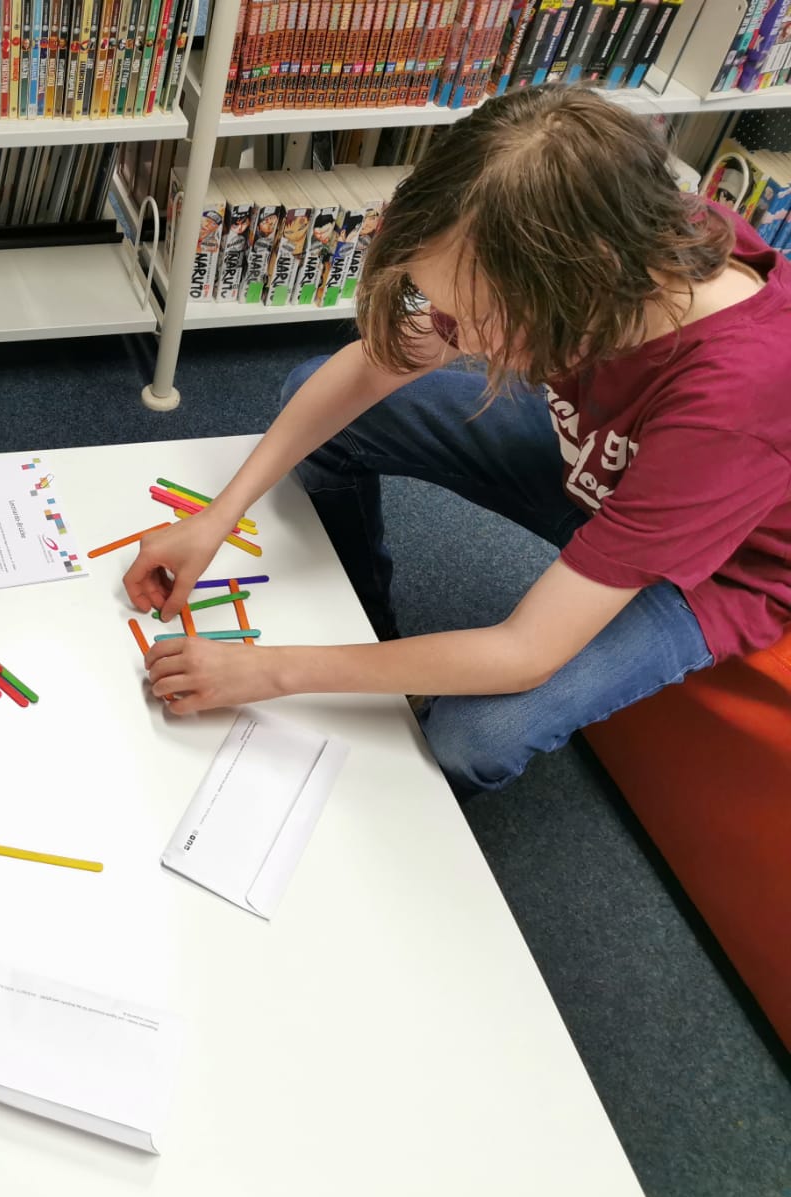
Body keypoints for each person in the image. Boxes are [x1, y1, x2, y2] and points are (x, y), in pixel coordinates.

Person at [126, 85, 791, 796]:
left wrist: (275, 670)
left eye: (478, 320)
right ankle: (370, 625)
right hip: (598, 463)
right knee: (317, 397)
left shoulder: (734, 400)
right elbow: (376, 365)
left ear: (583, 288)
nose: (456, 340)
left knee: (476, 736)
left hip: (713, 568)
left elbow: (527, 651)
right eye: (447, 313)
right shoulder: (615, 227)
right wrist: (218, 516)